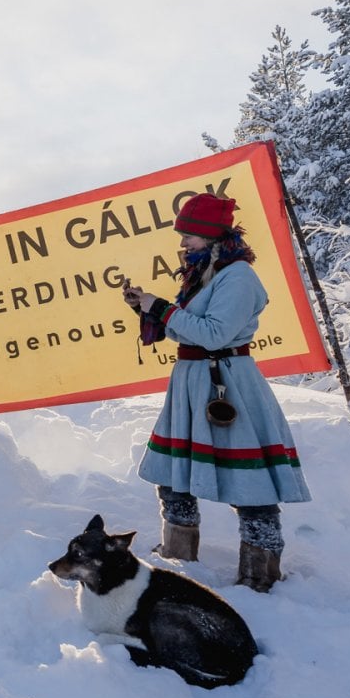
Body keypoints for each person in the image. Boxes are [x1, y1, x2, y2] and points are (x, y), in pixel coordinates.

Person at [121, 192, 311, 592]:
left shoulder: (238, 277)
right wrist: (147, 308)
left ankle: (260, 574)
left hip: (226, 384)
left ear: (210, 236)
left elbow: (214, 334)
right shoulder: (207, 273)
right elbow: (186, 327)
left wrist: (161, 307)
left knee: (250, 482)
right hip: (193, 382)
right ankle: (178, 556)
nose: (183, 243)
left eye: (189, 235)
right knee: (172, 475)